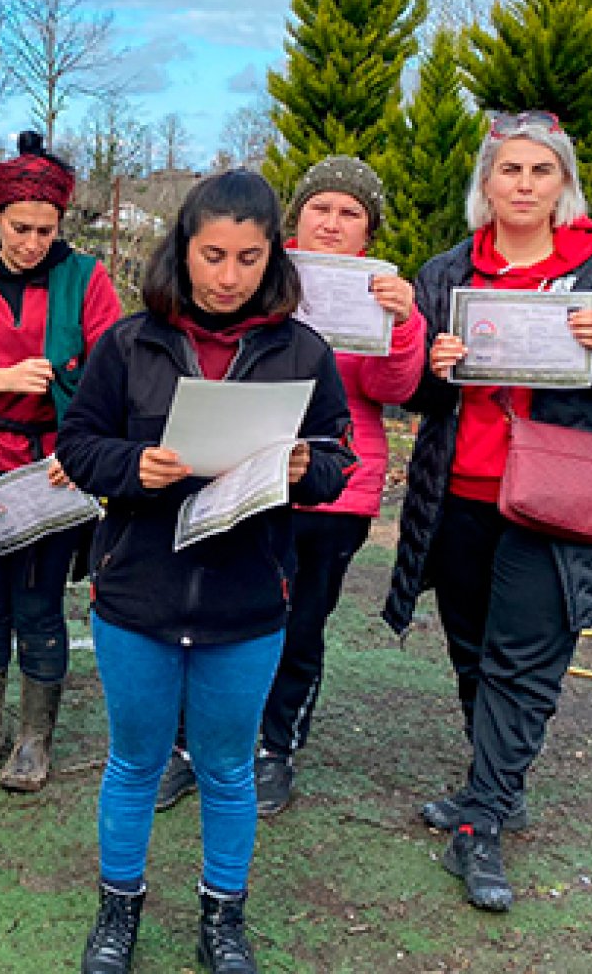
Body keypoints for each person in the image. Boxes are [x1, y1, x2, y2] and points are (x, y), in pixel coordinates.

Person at [57, 169, 357, 974]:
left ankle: (222, 917)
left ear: (272, 260)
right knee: (134, 763)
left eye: (248, 258)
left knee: (227, 769)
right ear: (182, 249)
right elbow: (77, 445)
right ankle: (117, 911)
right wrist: (133, 467)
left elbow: (337, 458)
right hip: (136, 596)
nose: (227, 277)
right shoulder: (128, 344)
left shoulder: (303, 352)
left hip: (246, 599)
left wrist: (302, 468)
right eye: (212, 255)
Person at [384, 112, 592, 912]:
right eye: (509, 171)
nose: (524, 185)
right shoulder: (446, 272)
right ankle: (497, 786)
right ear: (485, 184)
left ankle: (478, 826)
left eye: (541, 171)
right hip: (460, 495)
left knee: (523, 663)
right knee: (471, 653)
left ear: (562, 184)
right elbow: (417, 396)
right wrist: (433, 367)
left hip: (553, 497)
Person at [157, 157, 426, 818]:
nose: (331, 224)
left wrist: (403, 326)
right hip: (237, 475)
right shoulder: (252, 273)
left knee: (300, 625)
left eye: (349, 213)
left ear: (368, 229)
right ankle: (190, 747)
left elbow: (394, 391)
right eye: (319, 209)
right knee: (208, 610)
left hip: (332, 492)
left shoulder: (380, 291)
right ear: (295, 216)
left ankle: (274, 749)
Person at [0, 131, 123, 793]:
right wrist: (5, 378)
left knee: (37, 608)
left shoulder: (87, 279)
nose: (32, 241)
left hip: (52, 473)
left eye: (45, 229)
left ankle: (34, 739)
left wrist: (83, 449)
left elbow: (113, 369)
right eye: (19, 227)